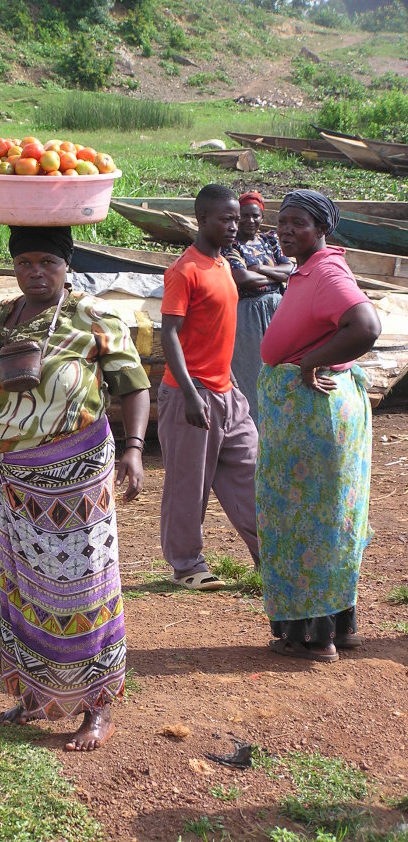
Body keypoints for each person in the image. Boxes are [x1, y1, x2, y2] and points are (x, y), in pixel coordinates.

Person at [0, 225, 151, 750]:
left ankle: (98, 708)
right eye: (24, 262)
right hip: (13, 480)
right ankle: (33, 696)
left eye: (47, 261)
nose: (35, 273)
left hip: (78, 479)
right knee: (22, 592)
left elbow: (133, 385)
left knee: (85, 592)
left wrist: (134, 451)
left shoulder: (92, 318)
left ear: (67, 265)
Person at [257, 189, 381, 663]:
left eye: (297, 223)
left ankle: (312, 636)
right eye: (281, 222)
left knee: (304, 522)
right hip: (308, 417)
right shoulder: (308, 269)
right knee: (328, 517)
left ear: (321, 228)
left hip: (312, 415)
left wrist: (310, 363)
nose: (285, 230)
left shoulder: (326, 270)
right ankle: (338, 626)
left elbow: (365, 325)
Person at [157, 184, 260, 592]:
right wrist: (188, 392)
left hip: (227, 393)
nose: (234, 226)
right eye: (226, 219)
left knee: (252, 476)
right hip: (191, 395)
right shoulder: (185, 270)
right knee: (188, 485)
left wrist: (230, 382)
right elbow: (169, 335)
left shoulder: (222, 265)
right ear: (202, 220)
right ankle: (186, 567)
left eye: (237, 218)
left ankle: (270, 558)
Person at [223, 191, 293, 425]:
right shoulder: (231, 244)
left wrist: (260, 269)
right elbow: (242, 278)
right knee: (252, 370)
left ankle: (284, 425)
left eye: (255, 216)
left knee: (284, 367)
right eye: (244, 216)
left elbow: (290, 270)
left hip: (278, 309)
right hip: (248, 313)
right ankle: (256, 431)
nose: (250, 221)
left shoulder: (270, 239)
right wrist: (275, 276)